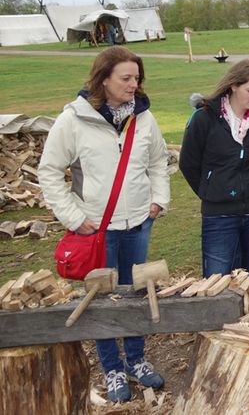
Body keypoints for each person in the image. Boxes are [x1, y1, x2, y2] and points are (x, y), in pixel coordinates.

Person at [38, 46, 170, 403]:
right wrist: (74, 217)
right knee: (101, 299)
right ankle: (112, 367)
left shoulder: (143, 117)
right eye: (126, 78)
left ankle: (137, 360)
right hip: (97, 229)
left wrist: (159, 198)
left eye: (137, 78)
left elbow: (158, 161)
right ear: (104, 79)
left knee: (135, 293)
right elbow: (48, 172)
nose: (134, 84)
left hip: (139, 223)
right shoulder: (74, 119)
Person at [179, 60, 249, 279]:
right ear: (233, 85)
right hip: (219, 213)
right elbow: (188, 162)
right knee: (217, 276)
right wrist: (210, 189)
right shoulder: (204, 117)